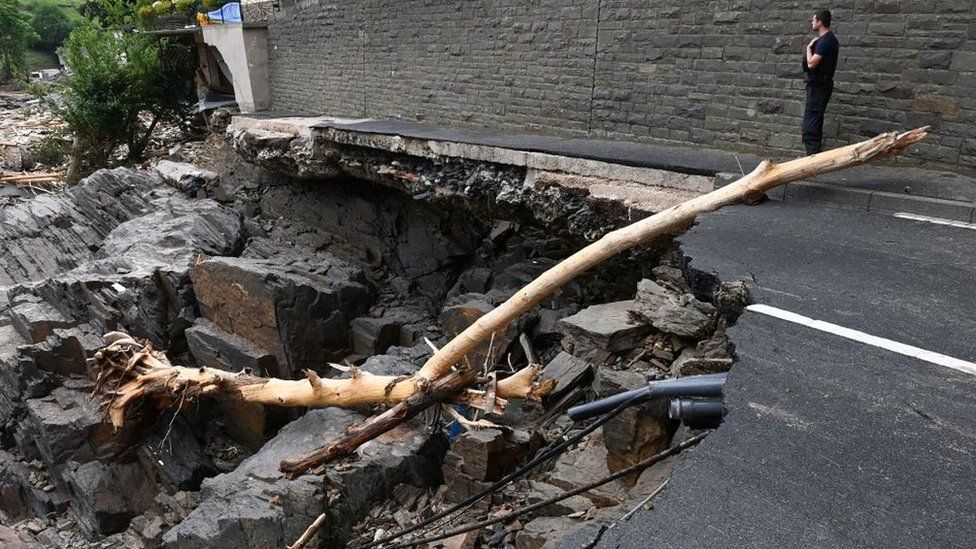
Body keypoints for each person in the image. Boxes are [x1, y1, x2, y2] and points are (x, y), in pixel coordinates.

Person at [801, 9, 839, 155]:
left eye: (813, 20)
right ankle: (812, 156)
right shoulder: (825, 40)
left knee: (811, 123)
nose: (812, 22)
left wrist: (808, 48)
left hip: (819, 87)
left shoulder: (827, 40)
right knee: (813, 121)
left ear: (820, 22)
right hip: (816, 86)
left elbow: (811, 64)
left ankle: (811, 158)